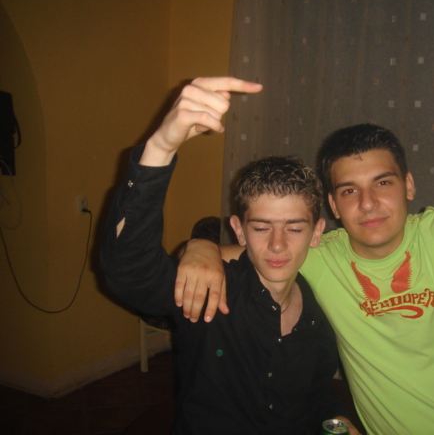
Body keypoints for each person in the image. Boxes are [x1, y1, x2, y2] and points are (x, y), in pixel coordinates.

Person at [174, 19, 434, 434]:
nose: (368, 203)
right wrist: (199, 246)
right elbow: (241, 253)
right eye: (349, 190)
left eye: (383, 183)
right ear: (332, 206)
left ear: (408, 185)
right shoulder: (316, 253)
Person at [100, 77, 361, 435]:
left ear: (317, 233)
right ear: (238, 230)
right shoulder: (211, 289)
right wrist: (160, 147)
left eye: (294, 228)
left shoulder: (322, 311)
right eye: (261, 227)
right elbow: (128, 271)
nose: (278, 244)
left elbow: (313, 394)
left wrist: (339, 421)